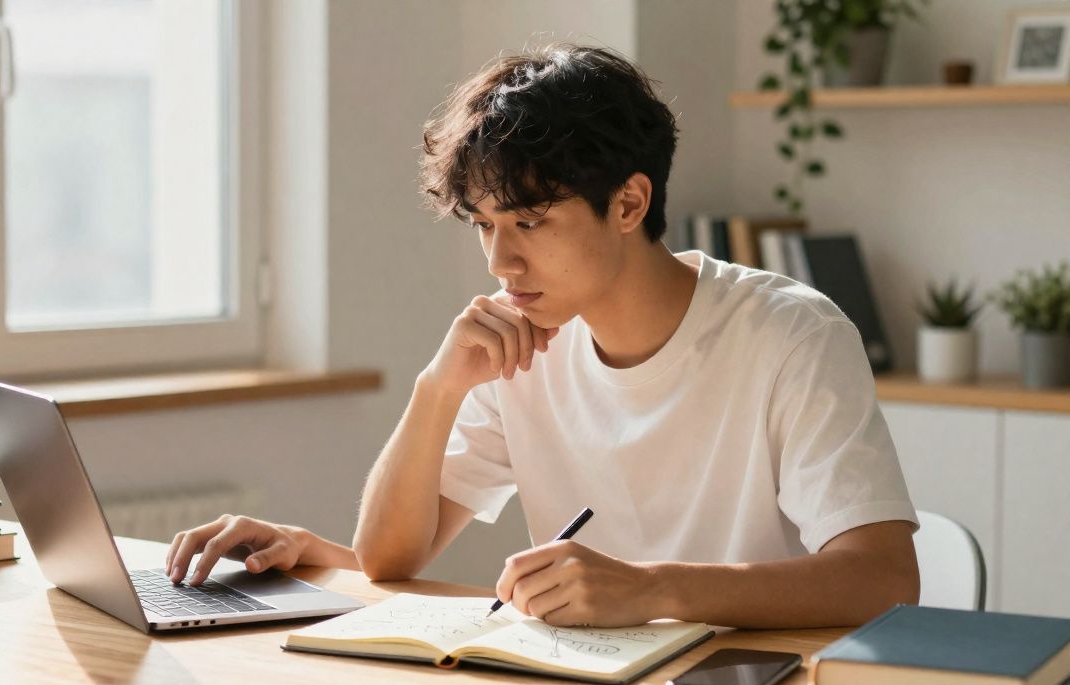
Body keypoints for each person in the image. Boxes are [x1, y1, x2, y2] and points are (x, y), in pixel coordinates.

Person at [165, 44, 919, 630]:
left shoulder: (789, 333)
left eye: (529, 223)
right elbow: (390, 558)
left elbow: (883, 579)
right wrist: (439, 388)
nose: (501, 261)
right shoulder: (523, 340)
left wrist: (652, 587)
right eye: (484, 226)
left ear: (628, 203)